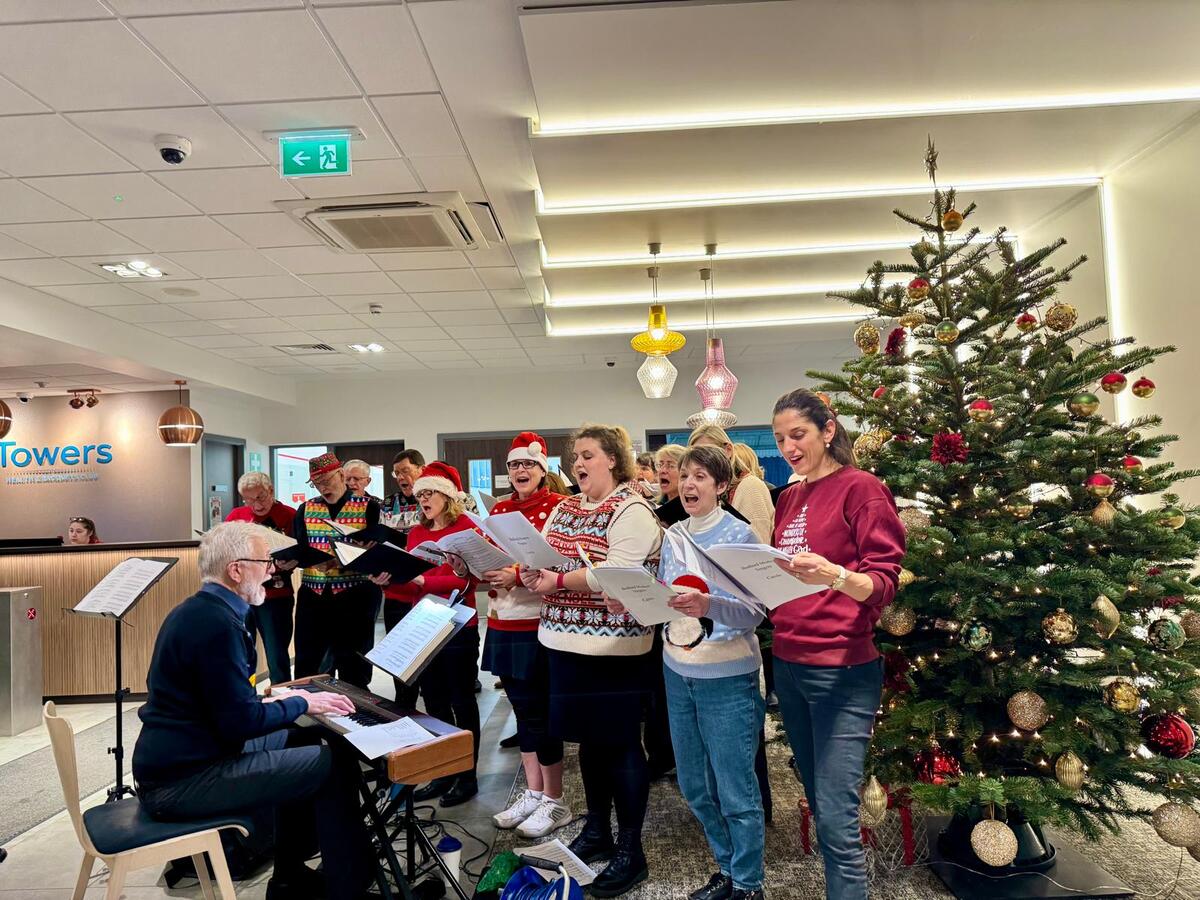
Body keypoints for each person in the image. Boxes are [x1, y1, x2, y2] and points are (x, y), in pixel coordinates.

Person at [132, 522, 373, 900]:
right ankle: (347, 890)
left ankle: (289, 879)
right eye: (265, 562)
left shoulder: (198, 611)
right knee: (333, 763)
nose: (272, 570)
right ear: (236, 569)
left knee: (303, 737)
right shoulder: (216, 624)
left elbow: (216, 703)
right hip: (182, 782)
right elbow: (240, 723)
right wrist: (301, 702)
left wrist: (272, 703)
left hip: (186, 759)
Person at [769, 389, 906, 900]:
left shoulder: (862, 489)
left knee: (835, 812)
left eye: (798, 435)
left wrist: (835, 575)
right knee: (816, 796)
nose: (789, 447)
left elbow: (884, 584)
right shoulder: (789, 497)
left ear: (828, 430)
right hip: (789, 662)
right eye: (780, 439)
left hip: (842, 669)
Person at [521, 424, 662, 898]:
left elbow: (616, 572)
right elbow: (542, 557)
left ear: (613, 460)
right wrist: (532, 572)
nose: (577, 463)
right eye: (575, 456)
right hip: (562, 643)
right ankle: (599, 829)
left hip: (614, 649)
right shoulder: (565, 507)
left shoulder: (631, 509)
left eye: (587, 455)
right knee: (587, 743)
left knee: (620, 745)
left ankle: (631, 850)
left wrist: (559, 582)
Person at [649, 445, 767, 900]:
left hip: (728, 677)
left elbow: (756, 612)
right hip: (677, 670)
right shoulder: (674, 535)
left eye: (700, 476)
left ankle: (748, 883)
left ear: (721, 485)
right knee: (694, 785)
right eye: (685, 475)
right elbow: (668, 601)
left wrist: (709, 605)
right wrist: (635, 602)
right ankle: (727, 867)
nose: (688, 484)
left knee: (735, 790)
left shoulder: (740, 536)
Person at [481, 432, 571, 839]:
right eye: (514, 465)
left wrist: (516, 575)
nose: (520, 470)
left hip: (537, 621)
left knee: (541, 714)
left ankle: (555, 799)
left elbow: (561, 561)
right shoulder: (499, 509)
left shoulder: (559, 507)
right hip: (502, 618)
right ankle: (534, 792)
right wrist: (468, 564)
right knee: (522, 713)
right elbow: (489, 557)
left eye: (528, 464)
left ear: (542, 469)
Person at [391, 461, 483, 808]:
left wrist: (424, 582)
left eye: (430, 493)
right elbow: (410, 587)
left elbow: (468, 581)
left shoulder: (467, 528)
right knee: (434, 702)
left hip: (459, 625)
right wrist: (388, 580)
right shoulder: (416, 532)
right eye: (420, 495)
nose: (424, 500)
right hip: (425, 625)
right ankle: (443, 771)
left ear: (447, 496)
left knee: (462, 701)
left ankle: (467, 776)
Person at [291, 453, 388, 689]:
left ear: (342, 475)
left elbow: (379, 551)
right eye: (317, 483)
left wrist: (347, 559)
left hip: (355, 594)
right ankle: (310, 708)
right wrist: (290, 560)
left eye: (327, 480)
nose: (323, 487)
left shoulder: (369, 507)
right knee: (308, 664)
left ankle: (354, 709)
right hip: (313, 596)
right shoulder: (305, 509)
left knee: (354, 666)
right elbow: (299, 548)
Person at [225, 472, 296, 687]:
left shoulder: (289, 515)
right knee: (240, 653)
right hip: (242, 596)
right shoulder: (237, 516)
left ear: (271, 491)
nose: (256, 505)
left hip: (275, 595)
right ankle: (244, 697)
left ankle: (281, 698)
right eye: (249, 500)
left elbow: (300, 550)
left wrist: (293, 561)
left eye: (261, 497)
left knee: (277, 655)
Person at [688, 425, 775, 544]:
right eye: (694, 455)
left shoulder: (750, 486)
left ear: (727, 450)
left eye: (707, 453)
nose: (699, 462)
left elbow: (759, 545)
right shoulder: (711, 492)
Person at [384, 449, 425, 529]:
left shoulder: (434, 501)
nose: (400, 477)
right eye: (396, 473)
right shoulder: (388, 502)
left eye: (405, 471)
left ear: (422, 470)